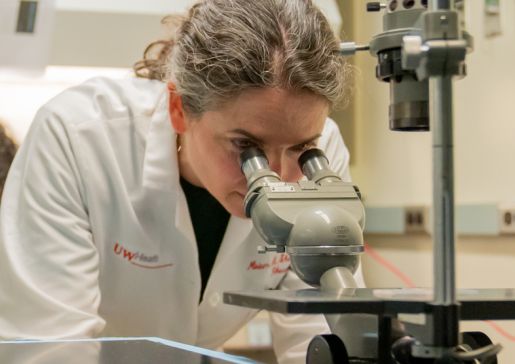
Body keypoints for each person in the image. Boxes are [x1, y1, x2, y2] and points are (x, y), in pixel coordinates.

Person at [0, 1, 364, 363]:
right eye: (246, 147)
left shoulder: (323, 146)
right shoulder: (78, 138)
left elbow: (319, 337)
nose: (279, 178)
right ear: (179, 109)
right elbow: (50, 347)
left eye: (301, 149)